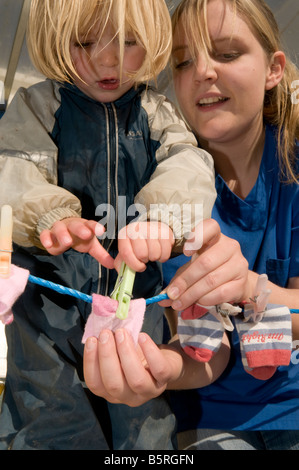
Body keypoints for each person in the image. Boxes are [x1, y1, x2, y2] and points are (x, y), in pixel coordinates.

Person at [0, 0, 218, 450]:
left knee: (144, 426)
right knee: (50, 421)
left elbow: (188, 164)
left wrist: (163, 218)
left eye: (129, 41)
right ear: (56, 40)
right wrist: (50, 215)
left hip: (134, 307)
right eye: (83, 41)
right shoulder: (38, 105)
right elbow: (12, 169)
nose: (108, 59)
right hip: (47, 311)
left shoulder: (157, 112)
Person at [84, 0, 299, 451]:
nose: (202, 72)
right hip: (208, 416)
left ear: (274, 69)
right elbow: (204, 351)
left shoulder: (292, 166)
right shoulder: (162, 192)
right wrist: (162, 369)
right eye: (183, 62)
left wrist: (251, 288)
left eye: (226, 53)